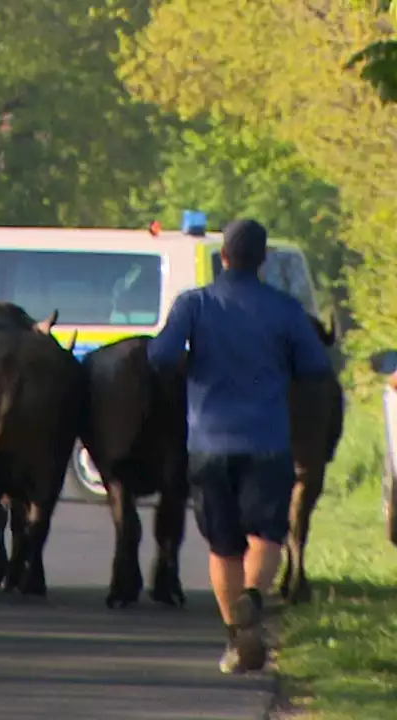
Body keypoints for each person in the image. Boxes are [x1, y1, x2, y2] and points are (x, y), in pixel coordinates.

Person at [147, 218, 333, 675]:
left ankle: (238, 637)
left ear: (223, 257)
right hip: (268, 441)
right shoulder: (286, 309)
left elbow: (160, 356)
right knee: (267, 535)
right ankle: (253, 598)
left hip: (209, 441)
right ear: (263, 259)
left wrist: (195, 362)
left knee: (223, 547)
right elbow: (315, 367)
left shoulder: (196, 303)